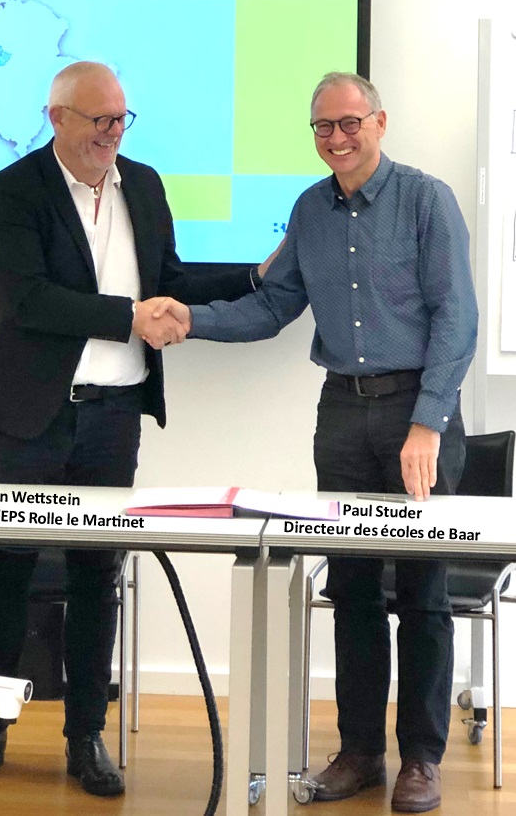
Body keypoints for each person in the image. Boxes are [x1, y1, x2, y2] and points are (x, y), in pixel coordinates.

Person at [0, 61, 270, 797]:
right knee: (6, 571)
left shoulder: (142, 185)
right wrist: (129, 318)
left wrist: (252, 276)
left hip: (114, 416)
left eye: (121, 119)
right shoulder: (13, 189)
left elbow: (168, 280)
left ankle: (86, 736)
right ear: (57, 117)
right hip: (29, 415)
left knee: (96, 574)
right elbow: (30, 300)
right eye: (98, 120)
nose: (112, 133)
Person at [152, 72, 478, 813]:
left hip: (416, 413)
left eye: (349, 123)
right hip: (341, 415)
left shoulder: (426, 200)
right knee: (352, 589)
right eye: (323, 126)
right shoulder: (309, 209)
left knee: (422, 594)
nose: (336, 138)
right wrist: (192, 320)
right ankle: (360, 752)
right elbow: (273, 306)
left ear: (380, 123)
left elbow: (457, 316)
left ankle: (421, 759)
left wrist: (428, 421)